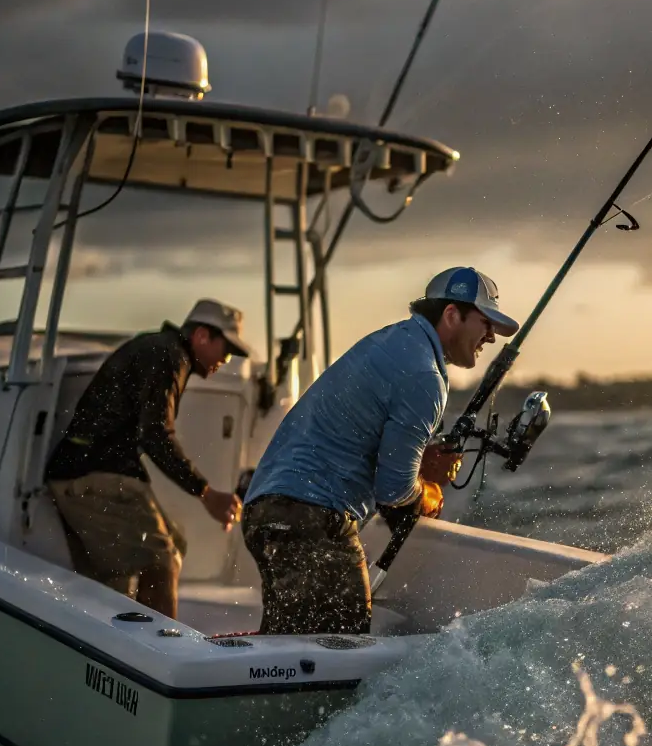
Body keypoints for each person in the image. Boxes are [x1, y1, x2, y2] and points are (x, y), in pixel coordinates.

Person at [242, 267, 519, 636]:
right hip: (310, 519)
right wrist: (428, 493)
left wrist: (422, 461)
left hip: (268, 509)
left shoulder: (392, 343)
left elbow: (366, 440)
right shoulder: (425, 375)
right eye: (485, 323)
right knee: (342, 647)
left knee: (286, 649)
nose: (490, 337)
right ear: (452, 315)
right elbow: (394, 490)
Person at [46, 299, 247, 618]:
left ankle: (125, 639)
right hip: (90, 475)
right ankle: (157, 651)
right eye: (226, 348)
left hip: (99, 473)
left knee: (173, 544)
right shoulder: (168, 356)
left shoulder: (161, 349)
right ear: (201, 337)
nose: (226, 359)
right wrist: (206, 493)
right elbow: (155, 434)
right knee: (160, 558)